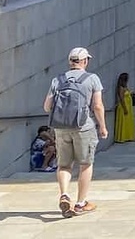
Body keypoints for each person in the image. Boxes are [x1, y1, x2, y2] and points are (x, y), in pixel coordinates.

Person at [43, 47, 107, 217]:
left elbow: (47, 106)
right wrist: (102, 126)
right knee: (85, 164)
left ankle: (64, 194)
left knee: (64, 165)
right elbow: (98, 106)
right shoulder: (92, 78)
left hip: (61, 128)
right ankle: (80, 204)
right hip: (83, 127)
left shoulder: (58, 80)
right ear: (85, 61)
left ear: (70, 61)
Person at [113, 72, 135, 143]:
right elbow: (121, 98)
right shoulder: (121, 87)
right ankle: (122, 137)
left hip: (128, 106)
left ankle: (128, 136)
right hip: (123, 106)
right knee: (123, 122)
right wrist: (125, 108)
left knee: (128, 122)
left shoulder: (125, 87)